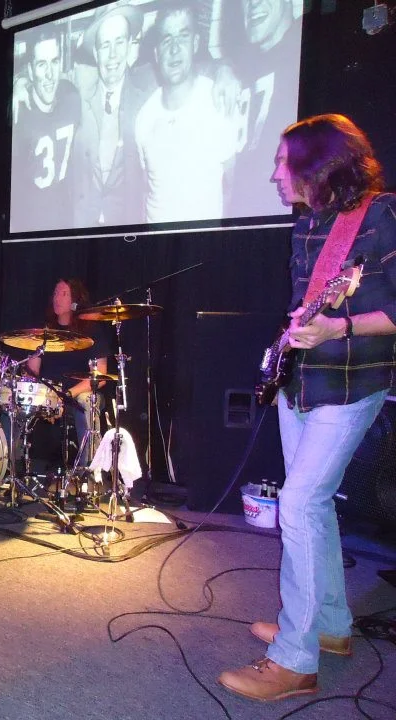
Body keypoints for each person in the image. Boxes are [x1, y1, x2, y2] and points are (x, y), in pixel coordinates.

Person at [218, 115, 396, 701]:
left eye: (282, 162)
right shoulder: (307, 225)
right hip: (299, 384)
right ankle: (330, 627)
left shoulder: (381, 215)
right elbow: (305, 307)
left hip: (351, 386)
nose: (275, 174)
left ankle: (295, 660)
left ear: (319, 165)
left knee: (298, 505)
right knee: (312, 509)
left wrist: (339, 326)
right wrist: (294, 341)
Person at [135, 1, 240, 223]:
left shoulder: (218, 102)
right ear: (156, 53)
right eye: (166, 39)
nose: (174, 49)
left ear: (195, 43)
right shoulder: (144, 117)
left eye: (183, 36)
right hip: (155, 241)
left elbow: (233, 185)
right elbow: (145, 190)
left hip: (204, 240)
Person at [222, 0, 303, 218]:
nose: (253, 4)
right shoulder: (243, 62)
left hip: (293, 221)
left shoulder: (310, 50)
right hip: (240, 219)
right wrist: (223, 66)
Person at [72, 3, 148, 226]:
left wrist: (225, 70)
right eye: (105, 45)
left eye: (119, 42)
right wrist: (20, 82)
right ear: (96, 54)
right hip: (82, 226)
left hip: (125, 229)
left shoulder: (147, 90)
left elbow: (192, 69)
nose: (113, 55)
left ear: (130, 45)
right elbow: (47, 82)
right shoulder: (80, 88)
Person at [25, 279, 111, 471]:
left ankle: (88, 471)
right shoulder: (44, 330)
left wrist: (67, 395)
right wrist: (43, 395)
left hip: (77, 393)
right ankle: (11, 467)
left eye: (64, 293)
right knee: (13, 400)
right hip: (48, 394)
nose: (57, 298)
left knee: (87, 401)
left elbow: (100, 375)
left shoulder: (91, 331)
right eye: (56, 293)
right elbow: (32, 373)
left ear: (76, 300)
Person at [10, 26, 83, 233]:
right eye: (42, 64)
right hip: (28, 231)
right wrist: (18, 82)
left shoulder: (71, 96)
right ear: (31, 70)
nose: (50, 74)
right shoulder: (18, 115)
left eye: (54, 61)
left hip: (66, 225)